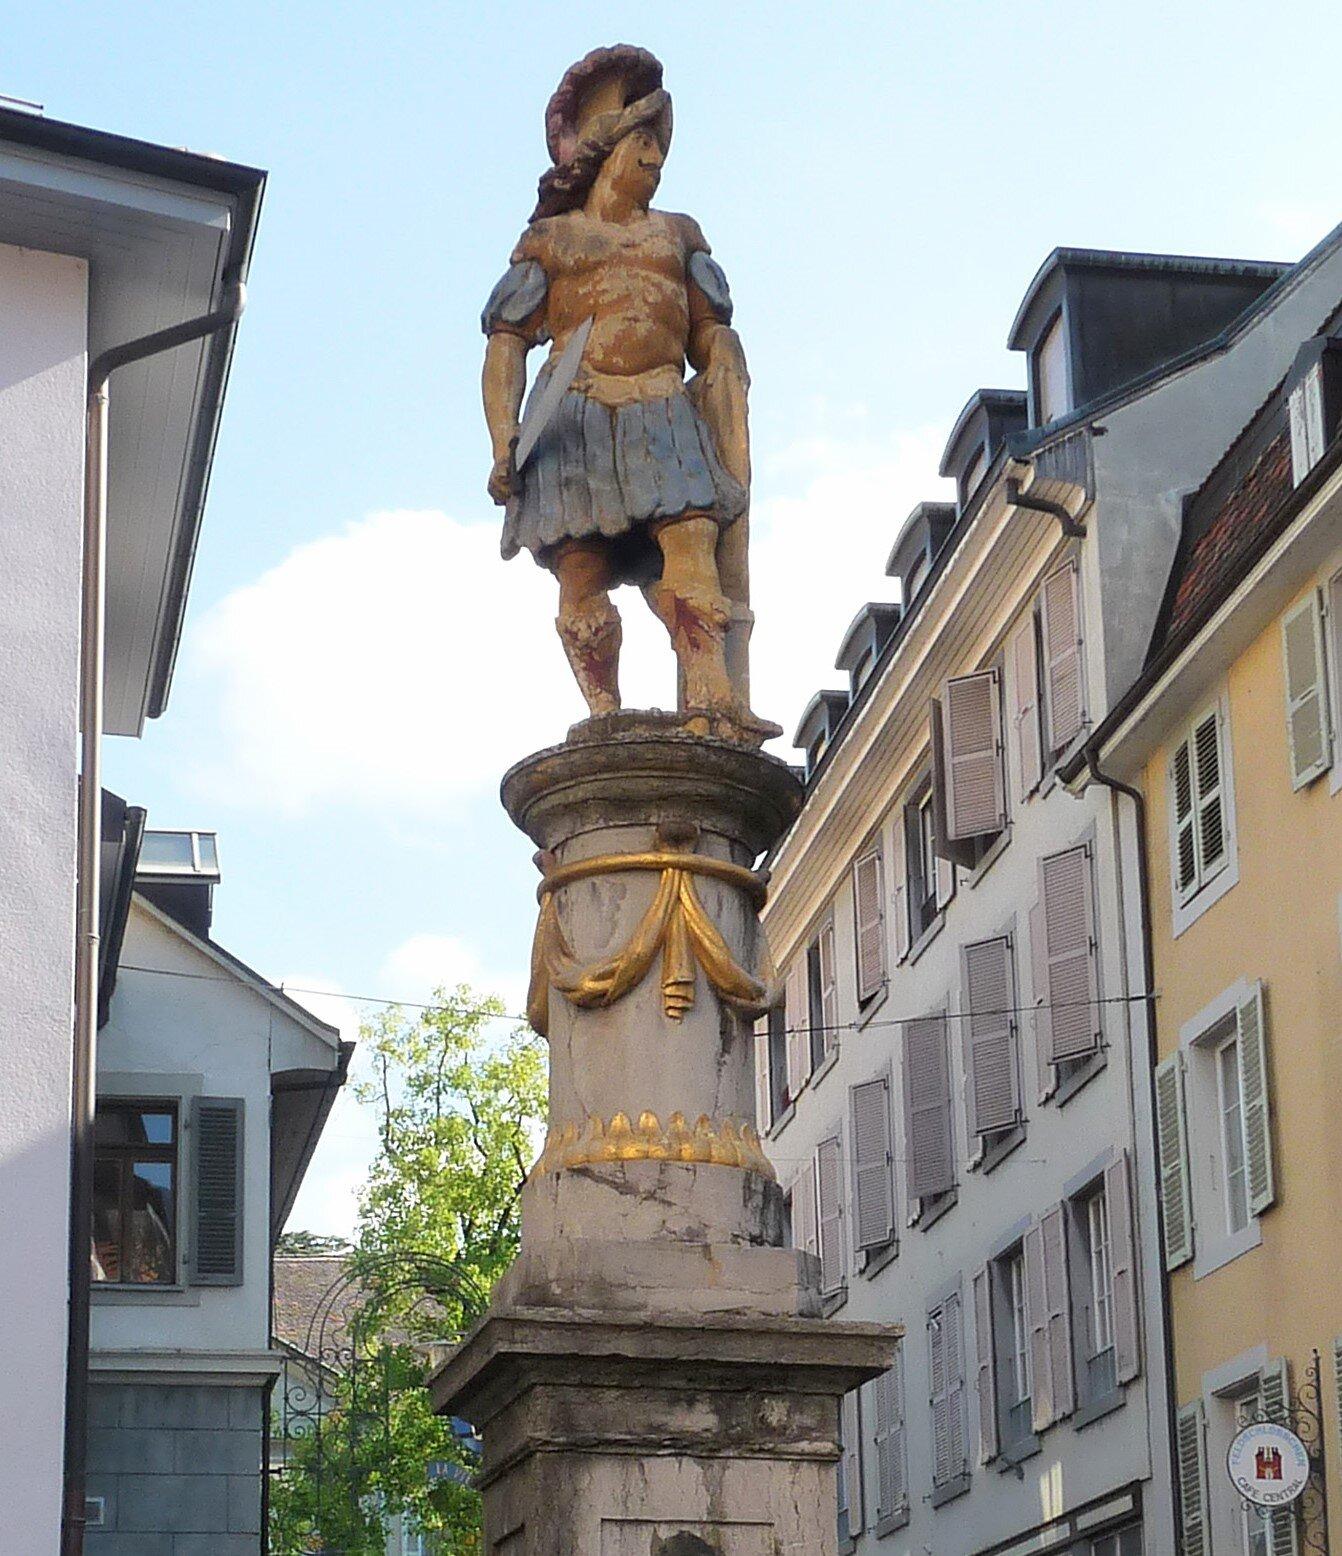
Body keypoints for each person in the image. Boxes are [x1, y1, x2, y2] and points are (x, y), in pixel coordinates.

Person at [481, 45, 773, 742]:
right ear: (609, 148)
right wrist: (503, 438)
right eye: (645, 141)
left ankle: (711, 701)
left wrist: (724, 365)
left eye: (660, 145)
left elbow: (707, 329)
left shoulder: (680, 235)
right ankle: (605, 715)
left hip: (664, 405)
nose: (657, 159)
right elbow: (506, 342)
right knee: (580, 566)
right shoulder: (550, 242)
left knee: (693, 540)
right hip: (575, 411)